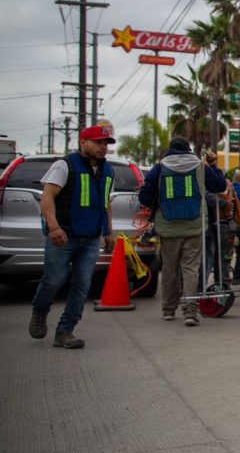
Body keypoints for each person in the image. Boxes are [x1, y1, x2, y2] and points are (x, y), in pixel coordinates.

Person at [29, 123, 118, 349]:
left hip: (90, 238)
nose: (103, 148)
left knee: (82, 284)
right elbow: (47, 197)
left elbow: (105, 203)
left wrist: (108, 231)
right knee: (54, 281)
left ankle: (65, 330)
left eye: (106, 143)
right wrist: (54, 228)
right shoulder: (65, 165)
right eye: (98, 142)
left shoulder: (108, 171)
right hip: (63, 236)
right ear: (83, 143)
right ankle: (40, 311)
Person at [138, 137, 227, 326]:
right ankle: (190, 313)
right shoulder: (200, 166)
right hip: (194, 226)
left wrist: (157, 199)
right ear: (188, 150)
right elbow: (220, 185)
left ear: (170, 150)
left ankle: (169, 310)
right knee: (190, 269)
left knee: (170, 269)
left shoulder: (159, 168)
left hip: (167, 228)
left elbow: (144, 197)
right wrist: (214, 165)